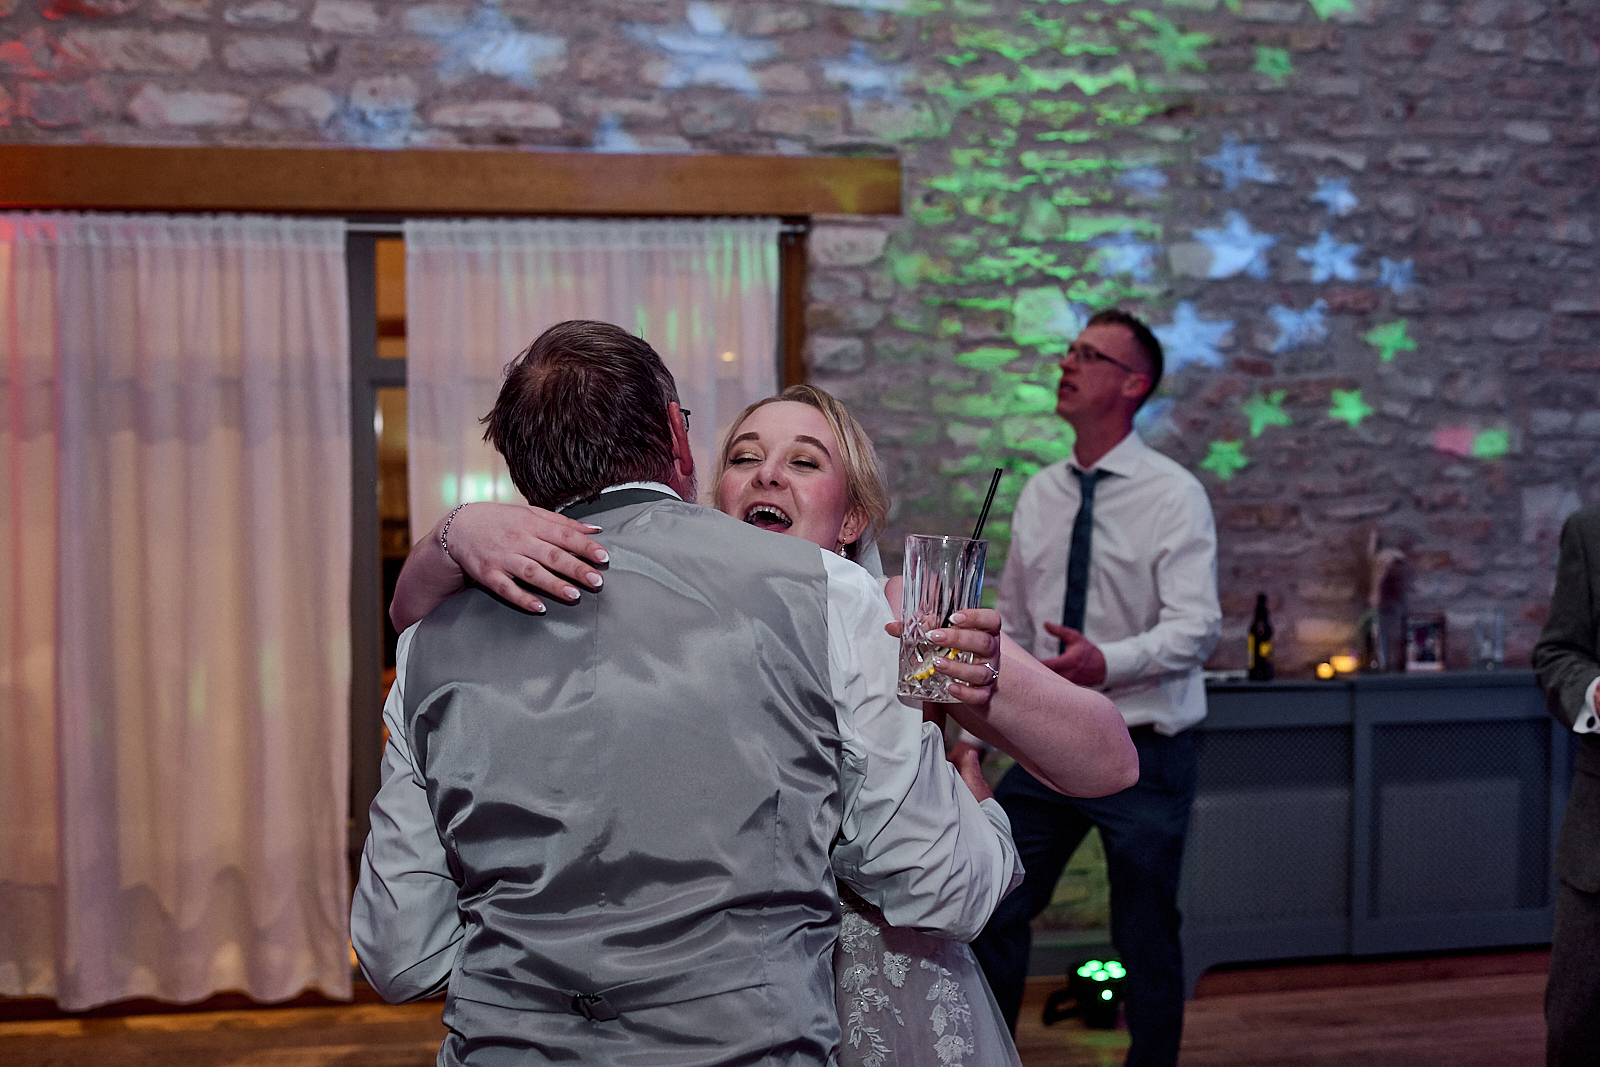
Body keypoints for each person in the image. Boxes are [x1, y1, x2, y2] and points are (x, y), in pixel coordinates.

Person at [391, 380, 1139, 1066]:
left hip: (878, 979)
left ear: (852, 516)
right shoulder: (667, 637)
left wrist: (986, 689)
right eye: (744, 458)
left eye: (803, 462)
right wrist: (457, 531)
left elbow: (1111, 762)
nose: (767, 475)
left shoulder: (901, 616)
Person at [970, 308, 1221, 1067]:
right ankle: (991, 1056)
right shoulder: (1041, 492)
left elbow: (1197, 628)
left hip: (1145, 748)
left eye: (1088, 355)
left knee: (1145, 931)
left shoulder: (1174, 495)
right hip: (1046, 745)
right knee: (993, 900)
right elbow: (1014, 624)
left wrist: (1103, 663)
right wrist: (984, 733)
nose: (1066, 363)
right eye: (1069, 351)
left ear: (1133, 385)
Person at [1533, 504, 1600, 1065]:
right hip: (1598, 852)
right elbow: (1558, 653)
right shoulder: (1590, 532)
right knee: (1578, 1031)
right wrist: (1594, 691)